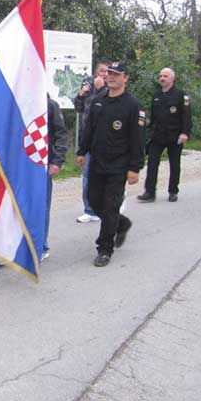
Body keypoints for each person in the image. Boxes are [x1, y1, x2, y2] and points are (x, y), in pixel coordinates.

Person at [76, 61, 145, 267]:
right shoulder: (99, 101)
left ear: (126, 78)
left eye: (116, 74)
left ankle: (104, 249)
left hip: (119, 165)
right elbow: (89, 129)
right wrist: (82, 151)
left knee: (110, 205)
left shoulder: (133, 105)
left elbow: (138, 139)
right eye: (110, 73)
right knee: (93, 201)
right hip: (97, 161)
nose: (111, 77)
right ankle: (121, 223)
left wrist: (135, 168)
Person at [138, 67, 192, 203]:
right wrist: (149, 132)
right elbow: (153, 117)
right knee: (152, 163)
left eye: (165, 76)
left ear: (172, 78)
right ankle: (150, 192)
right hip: (158, 135)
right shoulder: (156, 95)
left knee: (174, 164)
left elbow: (186, 116)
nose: (162, 78)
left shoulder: (181, 95)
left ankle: (173, 191)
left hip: (175, 135)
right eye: (161, 76)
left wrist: (185, 133)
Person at [73, 59, 109, 223]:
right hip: (88, 138)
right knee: (87, 175)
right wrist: (82, 93)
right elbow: (78, 108)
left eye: (107, 71)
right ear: (96, 72)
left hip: (106, 140)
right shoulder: (88, 85)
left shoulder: (111, 89)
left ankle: (108, 205)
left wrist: (101, 88)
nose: (105, 74)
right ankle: (89, 210)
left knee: (106, 176)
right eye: (102, 71)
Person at [44, 94, 68, 260]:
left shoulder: (50, 105)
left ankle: (40, 245)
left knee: (41, 207)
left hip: (43, 164)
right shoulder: (17, 101)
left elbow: (61, 134)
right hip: (20, 166)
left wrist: (57, 161)